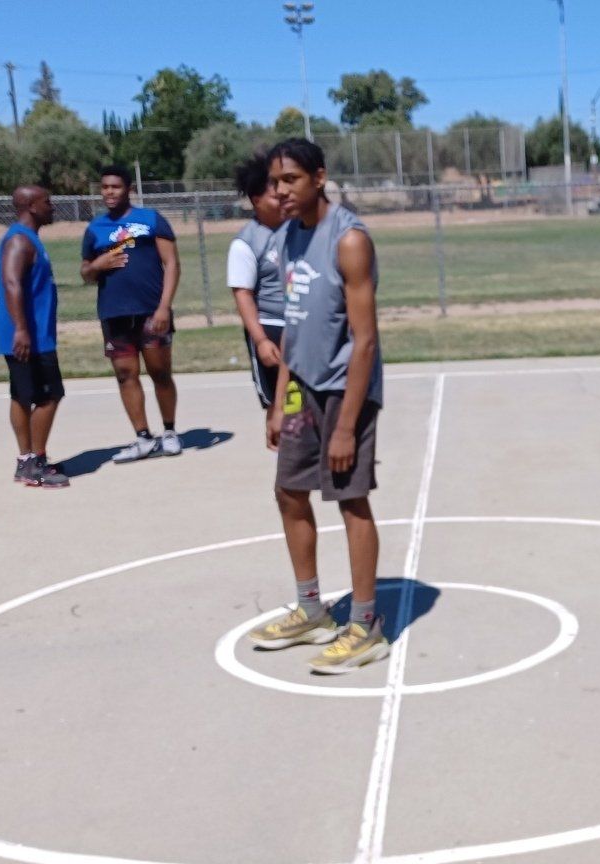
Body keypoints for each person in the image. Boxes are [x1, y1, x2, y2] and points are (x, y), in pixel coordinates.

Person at [244, 138, 390, 674]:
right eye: (275, 182)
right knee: (288, 490)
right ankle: (313, 609)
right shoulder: (286, 238)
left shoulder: (348, 241)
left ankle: (367, 624)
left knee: (350, 500)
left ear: (319, 177)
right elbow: (296, 325)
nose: (280, 190)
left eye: (290, 180)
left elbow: (365, 340)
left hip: (345, 390)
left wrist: (347, 425)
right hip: (302, 386)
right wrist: (281, 400)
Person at [80, 166, 182, 463]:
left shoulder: (151, 220)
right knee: (126, 375)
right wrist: (98, 265)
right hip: (115, 313)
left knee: (160, 373)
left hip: (152, 311)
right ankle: (143, 437)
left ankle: (170, 432)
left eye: (115, 187)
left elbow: (172, 264)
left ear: (129, 190)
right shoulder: (94, 229)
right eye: (104, 187)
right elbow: (85, 272)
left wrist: (164, 306)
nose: (109, 192)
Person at [0, 185, 69, 489]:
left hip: (30, 334)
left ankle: (26, 460)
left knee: (22, 396)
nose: (52, 206)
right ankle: (36, 463)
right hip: (30, 337)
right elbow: (12, 284)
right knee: (50, 396)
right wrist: (22, 329)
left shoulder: (30, 240)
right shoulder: (19, 241)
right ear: (30, 206)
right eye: (46, 202)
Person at [228, 154, 291, 409]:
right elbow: (242, 294)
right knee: (278, 403)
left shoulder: (298, 228)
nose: (283, 200)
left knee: (305, 402)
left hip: (300, 325)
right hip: (270, 326)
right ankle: (282, 448)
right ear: (257, 201)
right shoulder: (246, 242)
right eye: (275, 197)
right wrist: (262, 340)